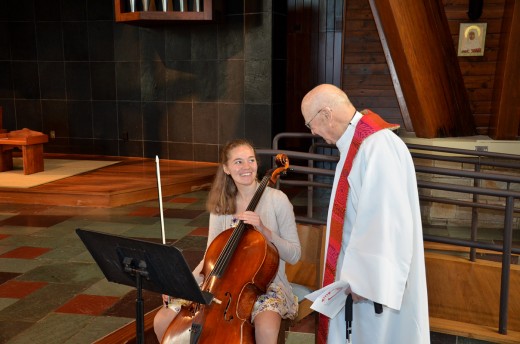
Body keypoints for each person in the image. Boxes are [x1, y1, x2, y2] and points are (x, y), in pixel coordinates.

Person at [300, 84, 430, 343]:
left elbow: (385, 220)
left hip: (371, 289)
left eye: (310, 123)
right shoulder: (358, 145)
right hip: (357, 279)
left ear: (326, 114)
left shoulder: (377, 147)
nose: (313, 131)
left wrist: (364, 279)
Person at [154, 139, 301, 344]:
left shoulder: (277, 200)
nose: (247, 167)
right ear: (227, 168)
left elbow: (294, 254)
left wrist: (264, 230)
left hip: (268, 286)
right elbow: (209, 259)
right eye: (238, 162)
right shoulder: (222, 207)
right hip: (219, 284)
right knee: (162, 319)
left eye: (251, 160)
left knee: (266, 328)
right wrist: (180, 285)